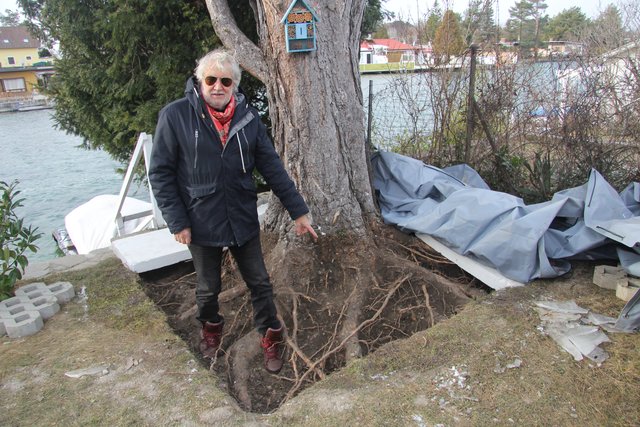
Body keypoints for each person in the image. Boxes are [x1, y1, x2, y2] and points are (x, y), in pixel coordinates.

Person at [149, 49, 317, 374]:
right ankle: (211, 330)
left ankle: (271, 338)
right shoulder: (176, 116)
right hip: (200, 221)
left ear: (234, 85)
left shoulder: (248, 119)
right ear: (200, 81)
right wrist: (177, 221)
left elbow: (273, 169)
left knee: (260, 283)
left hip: (241, 217)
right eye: (211, 79)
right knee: (208, 287)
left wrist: (299, 211)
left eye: (225, 81)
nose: (217, 86)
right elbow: (161, 174)